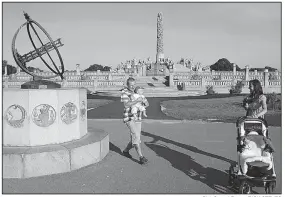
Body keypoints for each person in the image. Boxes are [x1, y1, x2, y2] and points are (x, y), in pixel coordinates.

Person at [121, 77, 149, 164]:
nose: (132, 87)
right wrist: (137, 100)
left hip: (138, 118)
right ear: (127, 85)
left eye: (134, 85)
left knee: (136, 137)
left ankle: (125, 151)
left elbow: (147, 104)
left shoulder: (137, 92)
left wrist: (144, 103)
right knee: (136, 136)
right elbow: (126, 105)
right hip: (128, 117)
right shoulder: (124, 93)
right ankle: (141, 157)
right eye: (131, 85)